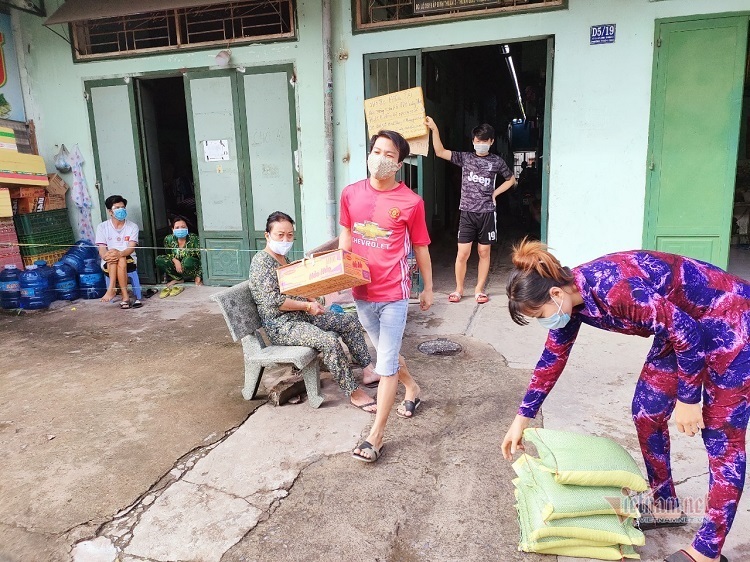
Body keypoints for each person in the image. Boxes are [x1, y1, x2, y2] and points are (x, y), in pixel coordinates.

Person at [501, 238, 750, 562]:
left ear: (555, 294)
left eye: (540, 315)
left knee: (722, 437)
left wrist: (689, 400)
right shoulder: (572, 301)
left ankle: (707, 551)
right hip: (683, 328)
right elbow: (552, 358)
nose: (544, 322)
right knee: (647, 411)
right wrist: (521, 419)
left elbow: (689, 335)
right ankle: (664, 505)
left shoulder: (614, 288)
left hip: (731, 322)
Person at [339, 130, 434, 463]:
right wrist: (338, 272)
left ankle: (375, 437)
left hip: (394, 292)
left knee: (386, 362)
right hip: (362, 293)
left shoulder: (411, 202)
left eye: (389, 154)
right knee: (386, 357)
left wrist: (428, 286)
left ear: (399, 163)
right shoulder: (350, 194)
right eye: (376, 151)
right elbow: (347, 235)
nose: (380, 158)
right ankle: (413, 389)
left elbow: (420, 247)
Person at [249, 211, 379, 413]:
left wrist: (312, 299)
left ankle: (368, 370)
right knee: (329, 341)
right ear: (267, 235)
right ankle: (353, 392)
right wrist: (308, 306)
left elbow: (297, 287)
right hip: (282, 325)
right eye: (280, 235)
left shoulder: (283, 259)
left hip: (301, 316)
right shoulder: (262, 262)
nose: (285, 239)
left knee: (349, 322)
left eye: (290, 235)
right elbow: (273, 300)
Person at [425, 116, 515, 304]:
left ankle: (479, 290)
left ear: (491, 142)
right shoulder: (465, 158)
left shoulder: (496, 162)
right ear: (473, 141)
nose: (480, 144)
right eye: (477, 141)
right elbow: (440, 152)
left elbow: (511, 179)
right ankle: (458, 289)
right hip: (467, 213)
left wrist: (495, 193)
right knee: (463, 253)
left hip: (487, 213)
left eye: (484, 141)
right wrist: (434, 129)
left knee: (484, 252)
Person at [96, 195, 140, 309]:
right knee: (116, 257)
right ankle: (125, 297)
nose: (121, 210)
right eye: (117, 208)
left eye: (123, 207)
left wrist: (118, 253)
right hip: (108, 260)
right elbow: (102, 250)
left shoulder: (132, 227)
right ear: (110, 211)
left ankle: (111, 290)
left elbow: (131, 248)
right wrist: (108, 256)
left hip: (129, 258)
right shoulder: (102, 227)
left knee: (120, 257)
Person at [155, 219, 203, 298]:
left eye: (183, 227)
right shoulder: (169, 239)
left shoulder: (194, 239)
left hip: (191, 266)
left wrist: (199, 276)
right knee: (160, 259)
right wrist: (175, 260)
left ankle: (190, 277)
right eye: (177, 228)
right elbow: (168, 254)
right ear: (172, 229)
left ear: (187, 228)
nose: (180, 229)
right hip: (177, 268)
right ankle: (178, 278)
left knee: (187, 261)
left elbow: (202, 258)